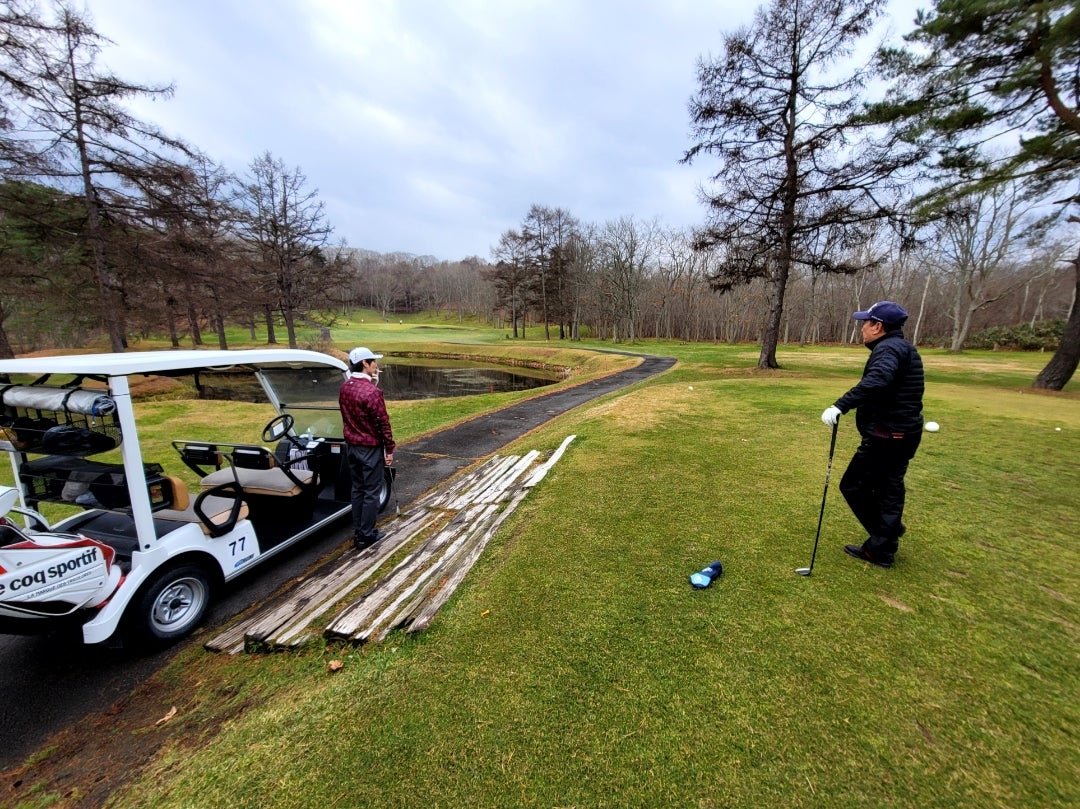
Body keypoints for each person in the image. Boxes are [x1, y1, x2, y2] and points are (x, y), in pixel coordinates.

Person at [821, 301, 924, 569]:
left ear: (878, 326)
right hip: (904, 433)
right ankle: (883, 544)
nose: (862, 328)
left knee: (853, 485)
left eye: (865, 323)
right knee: (889, 487)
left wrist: (840, 405)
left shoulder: (888, 349)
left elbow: (878, 380)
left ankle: (884, 536)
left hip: (888, 436)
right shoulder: (903, 347)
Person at [340, 347, 396, 550]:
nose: (376, 365)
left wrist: (373, 382)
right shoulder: (372, 393)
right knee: (371, 492)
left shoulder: (346, 387)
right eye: (373, 362)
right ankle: (366, 535)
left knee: (358, 490)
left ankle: (359, 531)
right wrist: (389, 449)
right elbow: (383, 424)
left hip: (352, 447)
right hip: (369, 449)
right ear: (365, 363)